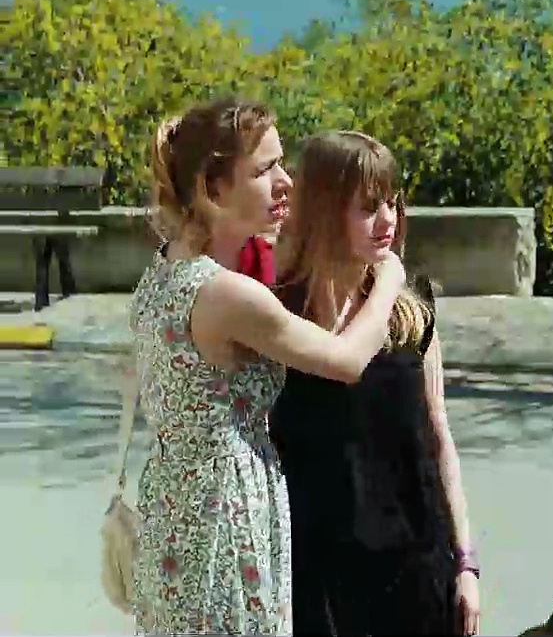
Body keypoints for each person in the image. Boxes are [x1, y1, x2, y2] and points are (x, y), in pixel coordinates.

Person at [129, 98, 406, 634]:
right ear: (213, 189)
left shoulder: (164, 268)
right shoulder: (226, 294)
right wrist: (390, 279)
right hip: (225, 517)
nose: (286, 183)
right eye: (264, 171)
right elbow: (346, 360)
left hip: (173, 510)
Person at [269, 130, 480, 637]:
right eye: (368, 207)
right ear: (325, 210)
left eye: (392, 202)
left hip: (416, 563)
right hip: (317, 578)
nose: (388, 220)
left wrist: (466, 562)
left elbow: (438, 435)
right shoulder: (277, 312)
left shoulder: (412, 310)